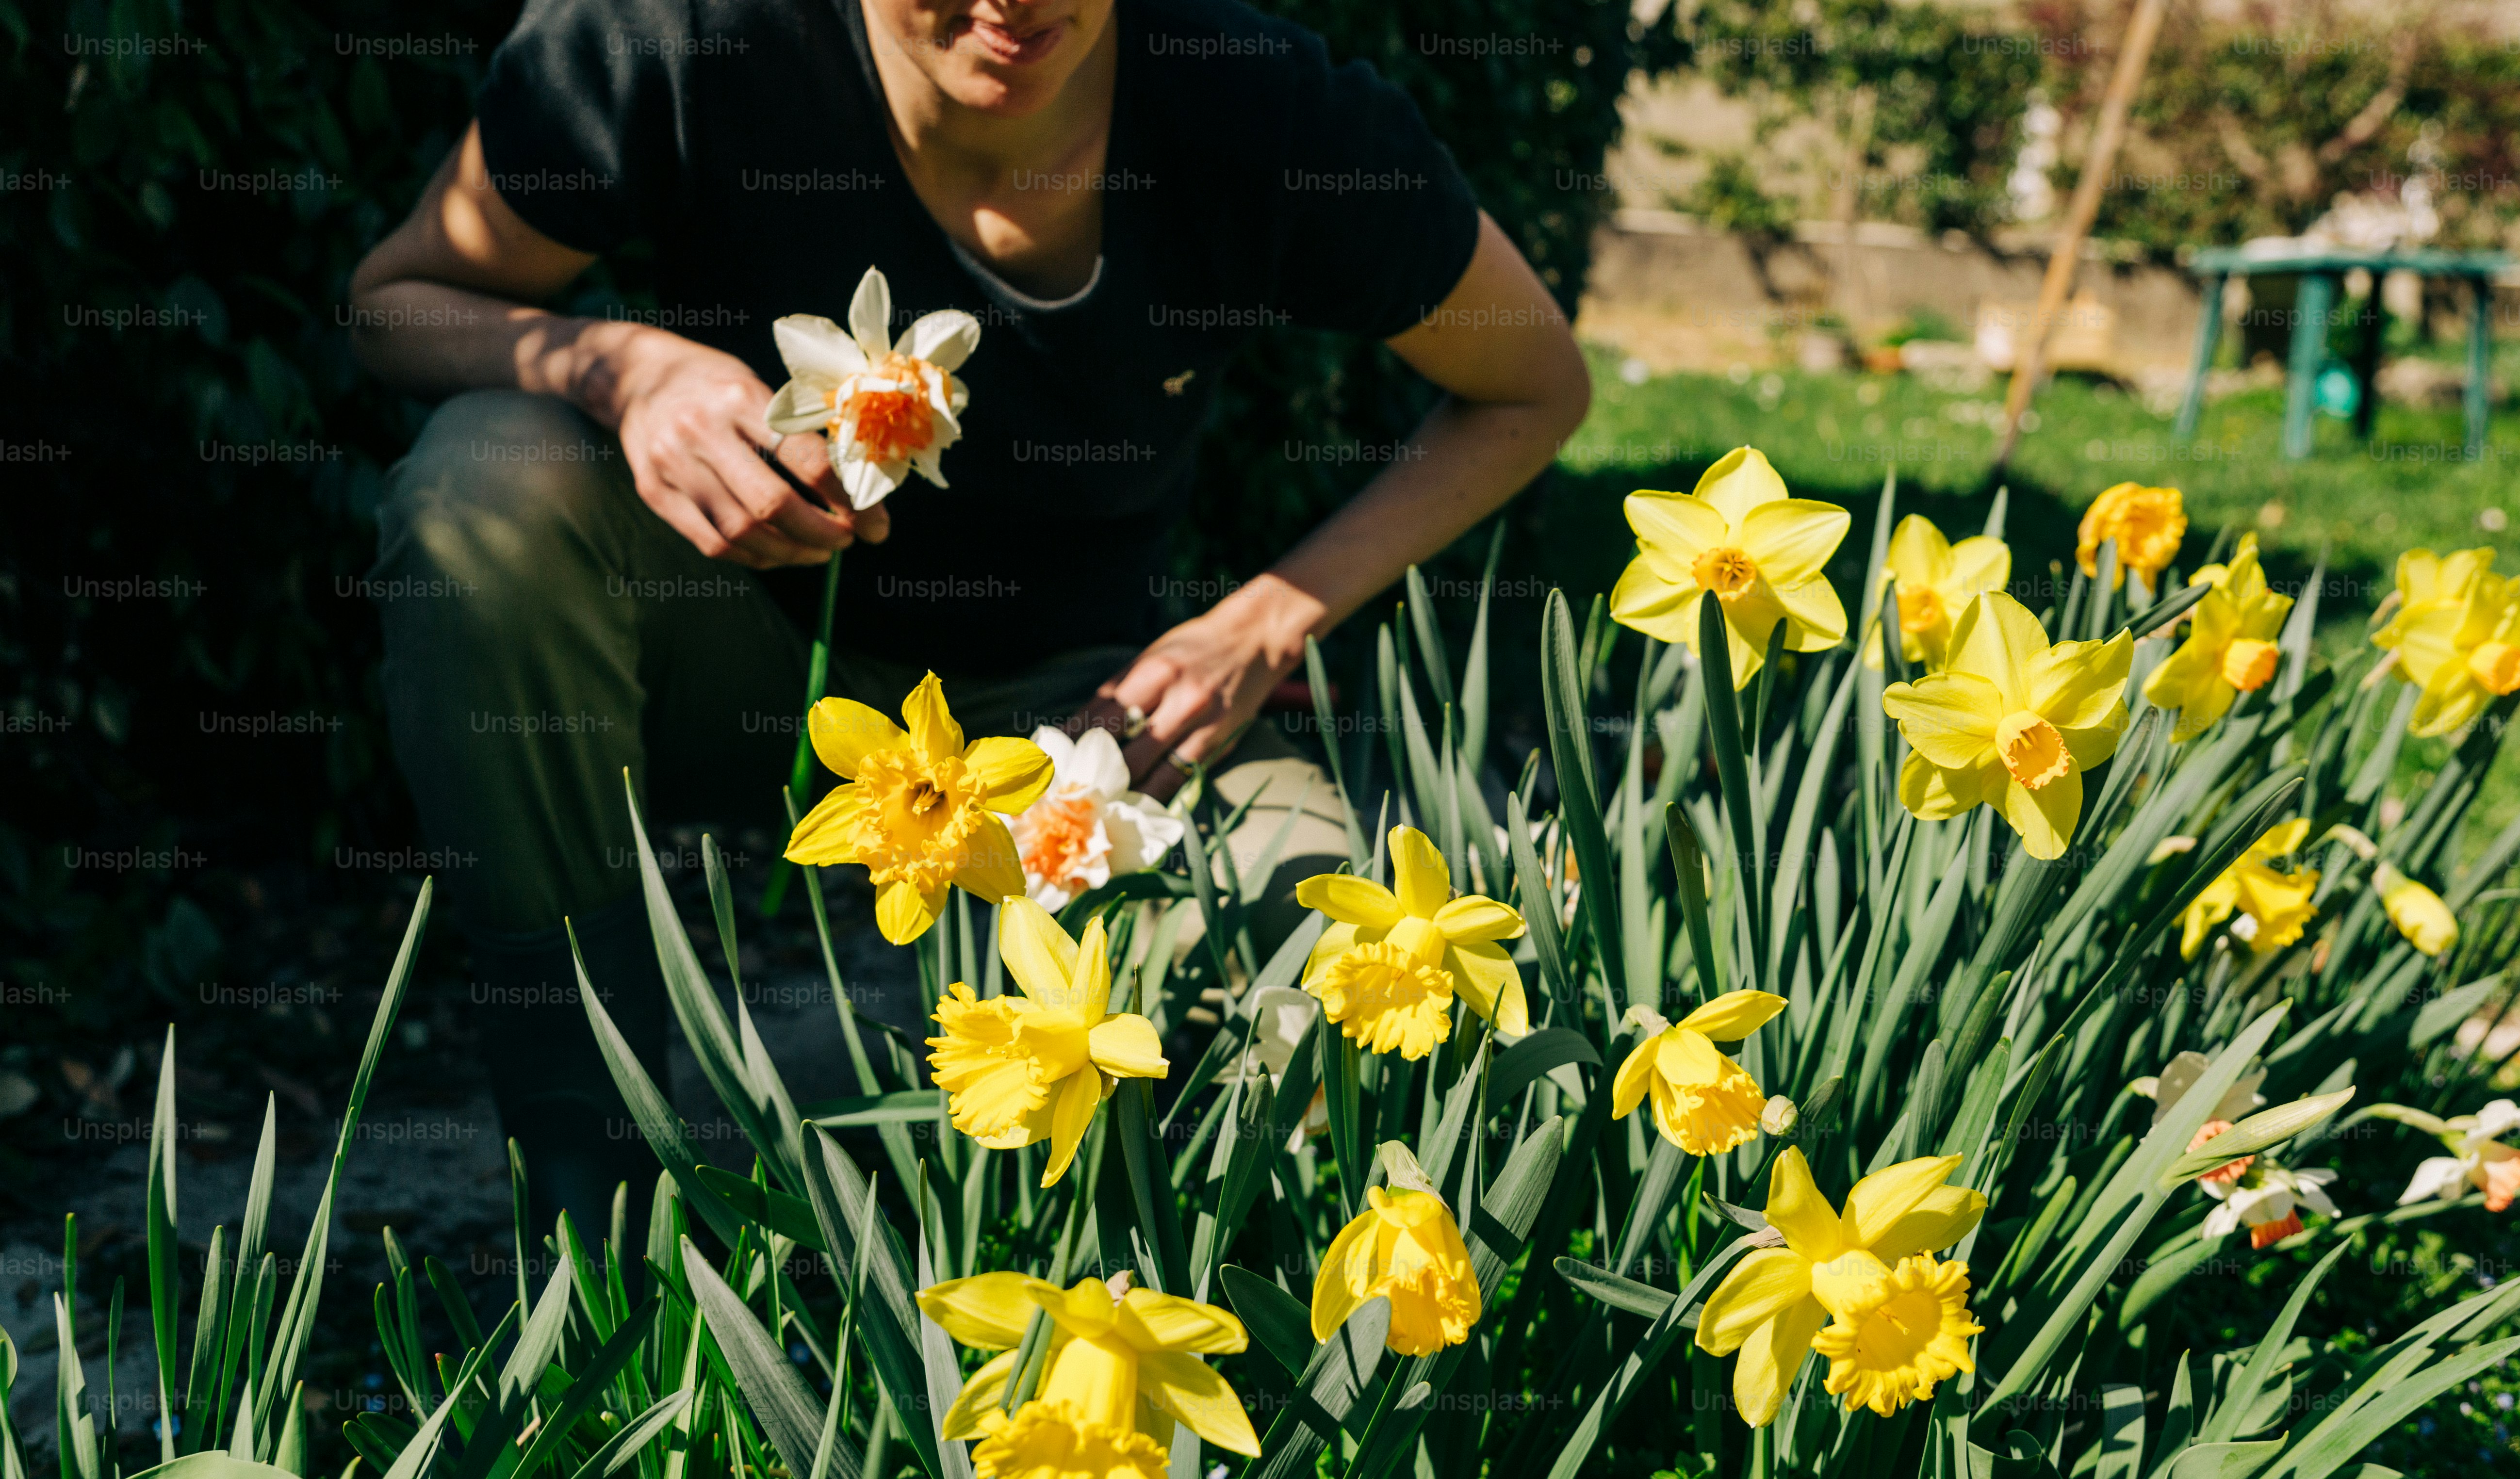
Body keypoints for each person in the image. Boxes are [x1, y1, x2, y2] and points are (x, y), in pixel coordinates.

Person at [347, 0, 1591, 1231]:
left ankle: (1071, 1227)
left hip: (1083, 726)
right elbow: (396, 299)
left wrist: (1266, 618)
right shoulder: (676, 36)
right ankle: (591, 1215)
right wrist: (615, 366)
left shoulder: (1255, 103)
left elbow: (1531, 384)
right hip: (739, 669)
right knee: (486, 483)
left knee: (1340, 957)